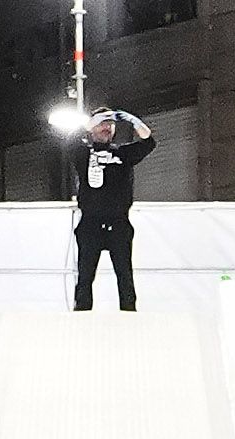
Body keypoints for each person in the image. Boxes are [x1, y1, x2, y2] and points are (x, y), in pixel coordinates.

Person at [61, 109, 156, 312]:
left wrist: (132, 120)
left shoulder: (122, 153)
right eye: (102, 124)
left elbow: (149, 142)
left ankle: (129, 317)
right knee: (85, 276)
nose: (106, 128)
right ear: (92, 128)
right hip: (90, 223)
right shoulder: (83, 153)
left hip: (119, 222)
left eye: (110, 124)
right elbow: (67, 142)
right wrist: (85, 125)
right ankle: (82, 317)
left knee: (125, 276)